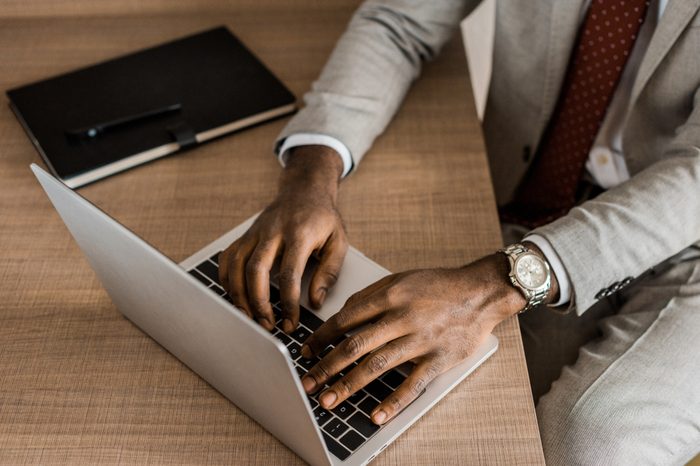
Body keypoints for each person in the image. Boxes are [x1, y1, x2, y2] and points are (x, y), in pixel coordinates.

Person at [218, 1, 700, 463]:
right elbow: (399, 21)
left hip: (688, 241)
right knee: (439, 411)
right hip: (537, 203)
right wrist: (311, 173)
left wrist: (497, 284)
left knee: (588, 446)